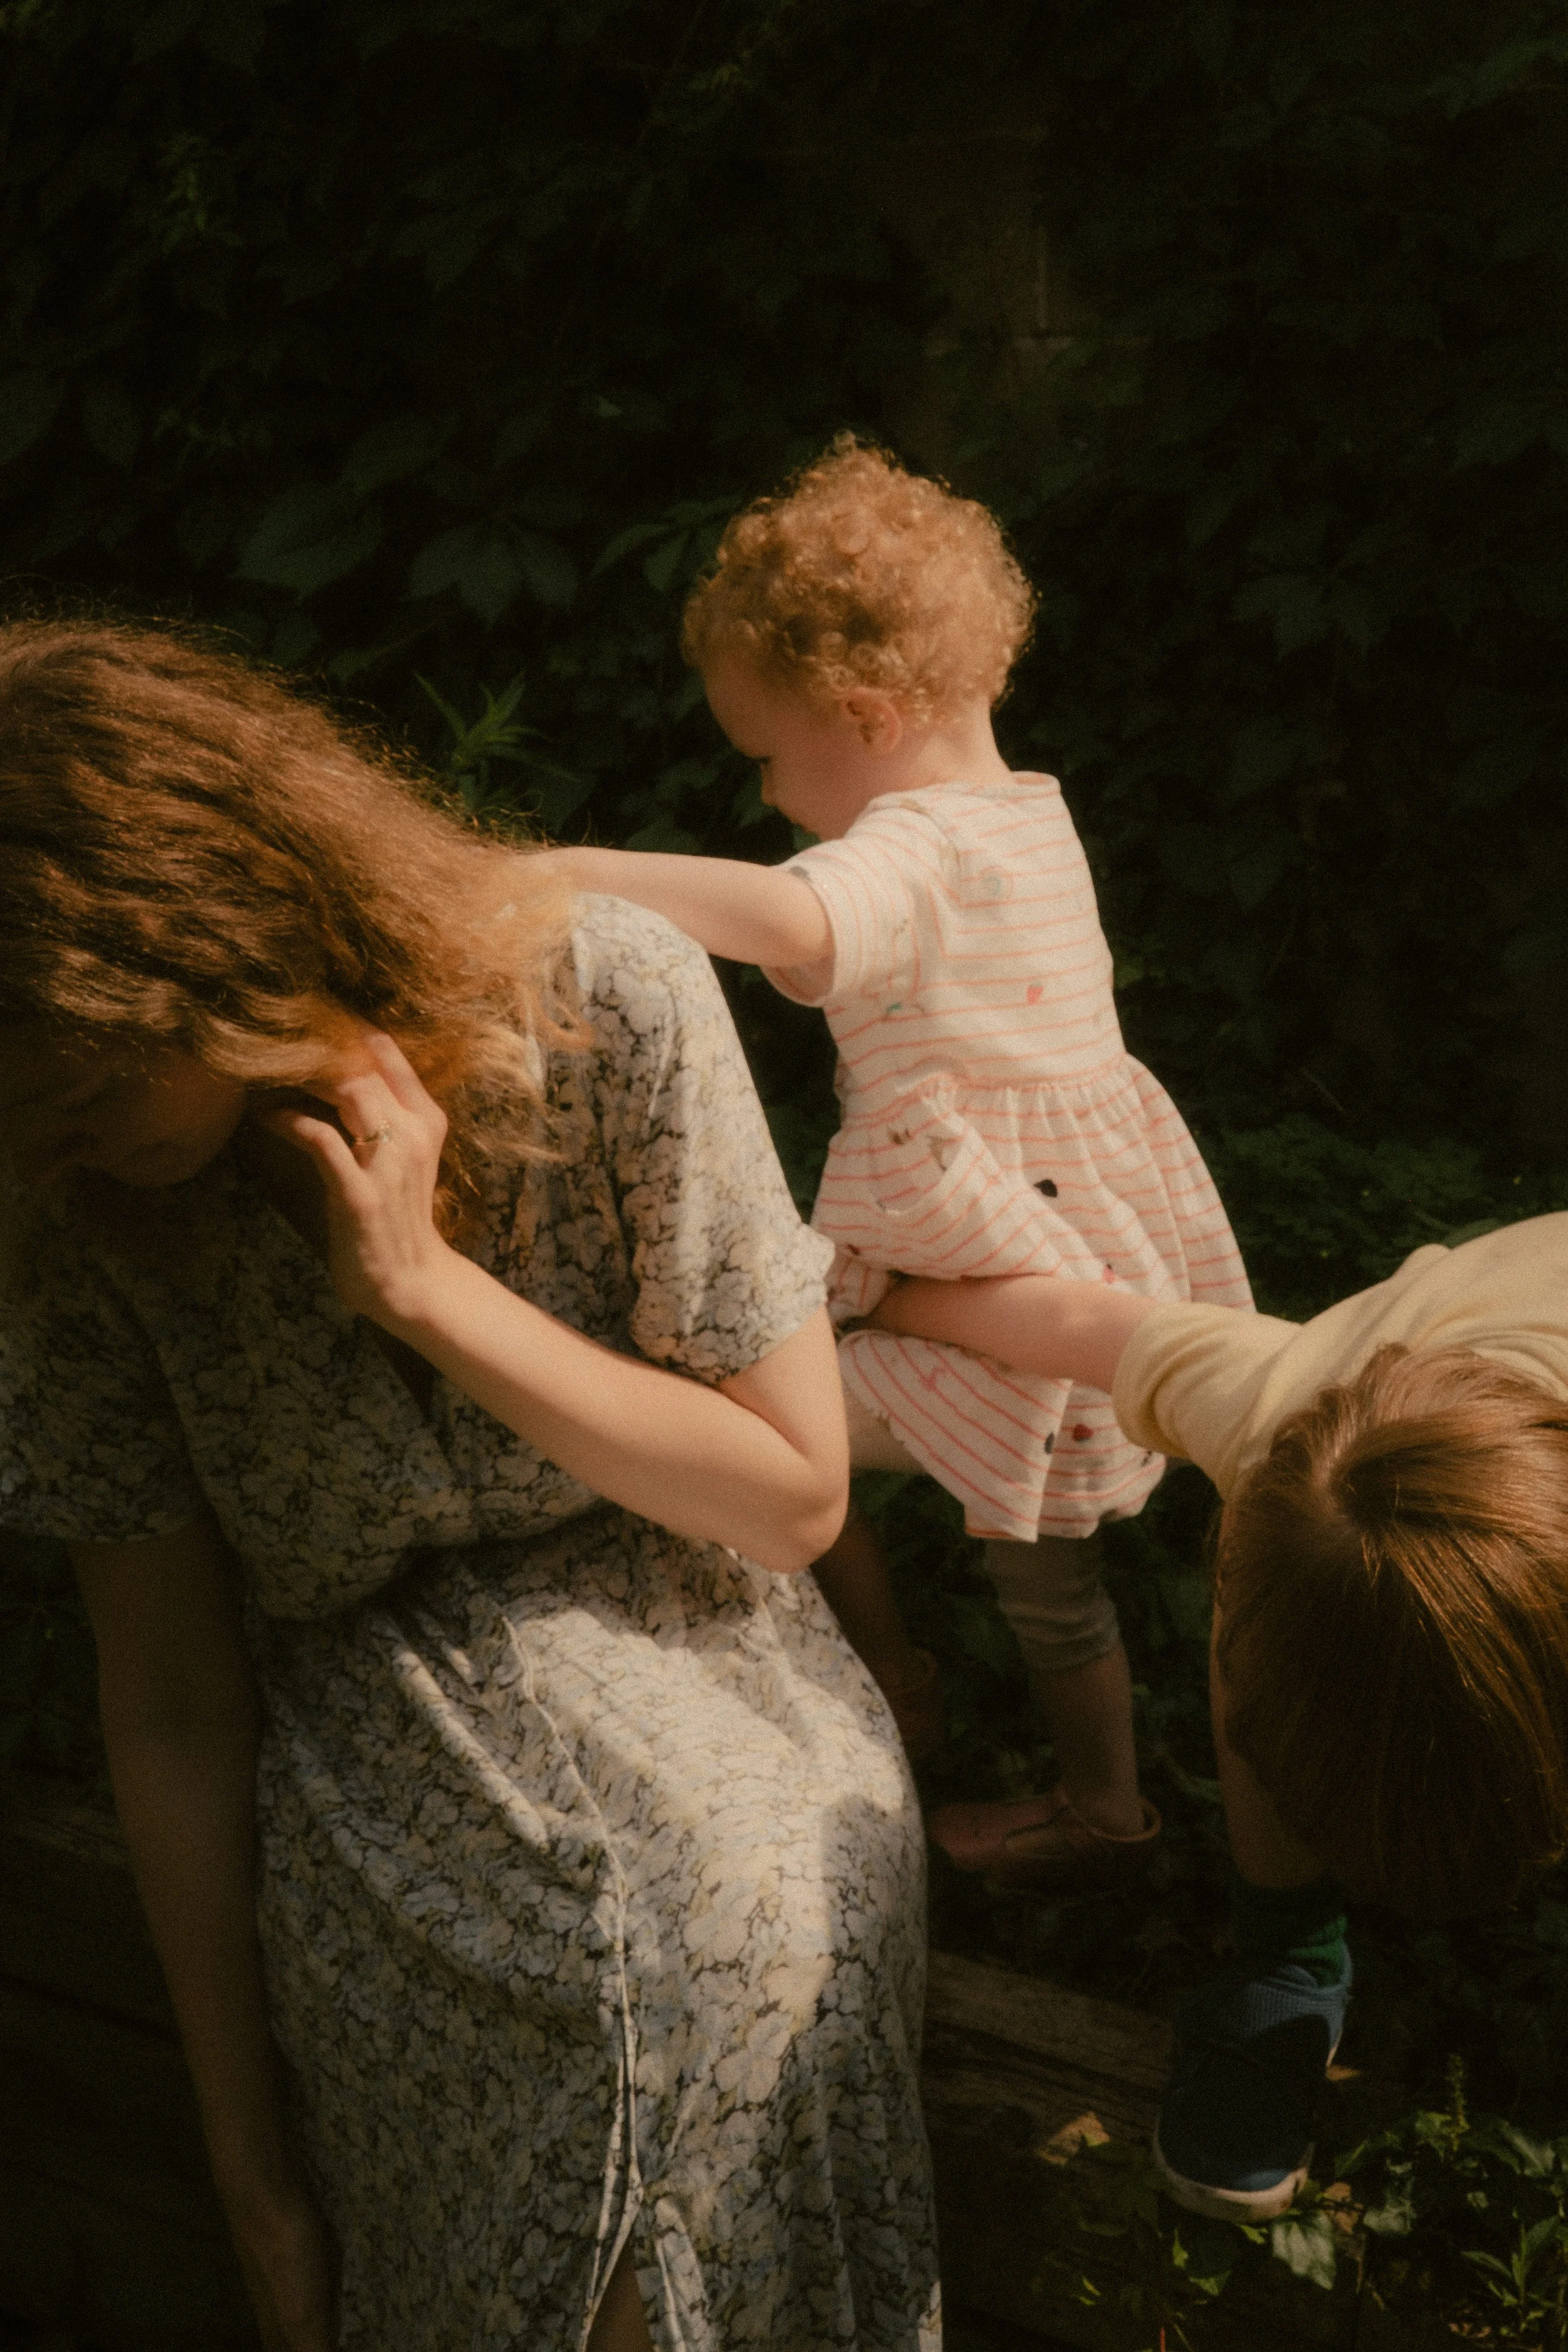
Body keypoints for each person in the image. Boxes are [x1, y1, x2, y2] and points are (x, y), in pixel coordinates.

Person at [0, 618, 942, 2352]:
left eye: (79, 1074)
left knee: (740, 1914)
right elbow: (178, 1698)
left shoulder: (610, 994)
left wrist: (431, 1297)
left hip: (710, 1630)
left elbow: (793, 1494)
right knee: (533, 1998)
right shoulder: (77, 1199)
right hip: (378, 1738)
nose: (63, 1131)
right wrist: (246, 2160)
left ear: (206, 939)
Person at [542, 437, 1253, 1888]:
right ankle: (1094, 1796)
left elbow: (798, 926)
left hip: (988, 1258)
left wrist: (563, 875)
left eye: (764, 757)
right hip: (1060, 1246)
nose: (764, 795)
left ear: (861, 713)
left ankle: (881, 1680)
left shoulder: (912, 848)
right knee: (1048, 1580)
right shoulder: (1025, 812)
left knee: (748, 1430)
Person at [865, 1219, 1568, 2218]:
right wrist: (873, 1295)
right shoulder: (1282, 1417)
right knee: (1281, 1573)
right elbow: (1081, 1321)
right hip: (1413, 1374)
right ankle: (1290, 1954)